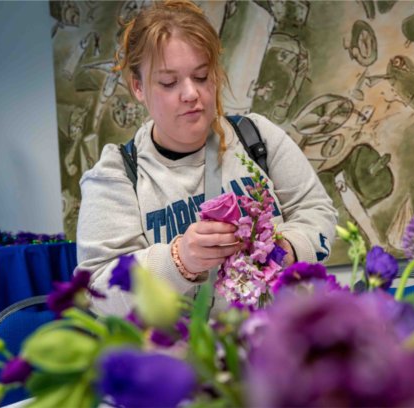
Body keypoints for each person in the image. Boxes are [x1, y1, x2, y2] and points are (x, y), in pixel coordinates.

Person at [76, 0, 338, 316]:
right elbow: (99, 291)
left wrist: (286, 249)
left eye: (201, 76)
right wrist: (180, 259)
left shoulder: (257, 138)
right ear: (138, 87)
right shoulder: (116, 175)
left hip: (279, 342)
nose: (191, 94)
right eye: (169, 82)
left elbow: (318, 211)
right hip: (183, 357)